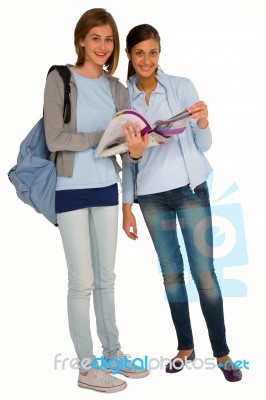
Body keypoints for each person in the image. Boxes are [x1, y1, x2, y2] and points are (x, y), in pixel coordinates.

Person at [122, 23, 242, 383]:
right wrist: (127, 205)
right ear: (129, 54)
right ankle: (185, 348)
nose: (147, 60)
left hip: (190, 190)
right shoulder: (122, 98)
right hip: (152, 198)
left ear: (160, 53)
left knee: (204, 274)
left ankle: (222, 353)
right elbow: (126, 160)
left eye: (153, 52)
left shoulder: (181, 87)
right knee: (171, 274)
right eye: (140, 52)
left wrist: (204, 122)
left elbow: (203, 145)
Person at [43, 9, 148, 394]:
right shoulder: (60, 78)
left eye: (109, 40)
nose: (103, 47)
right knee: (81, 282)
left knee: (107, 279)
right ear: (81, 40)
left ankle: (113, 353)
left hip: (107, 189)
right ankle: (87, 368)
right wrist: (100, 136)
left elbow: (125, 148)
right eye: (96, 39)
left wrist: (134, 154)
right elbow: (56, 139)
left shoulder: (117, 88)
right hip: (70, 189)